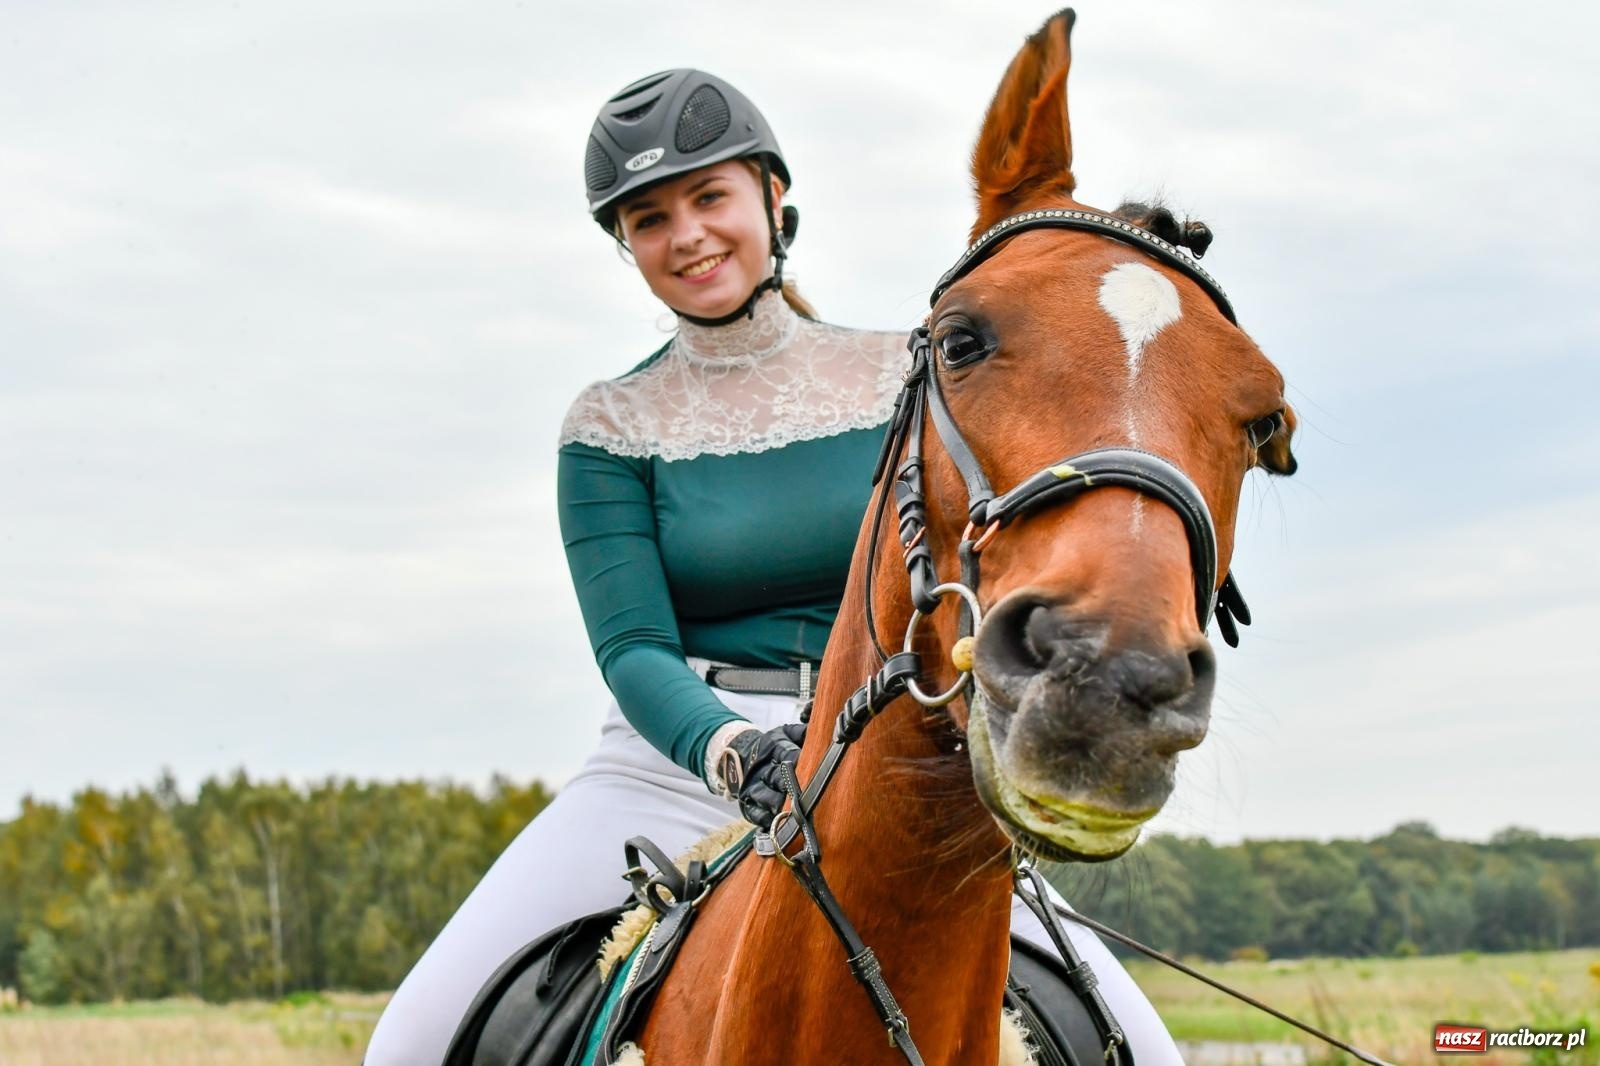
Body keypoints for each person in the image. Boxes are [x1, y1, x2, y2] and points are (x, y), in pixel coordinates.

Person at [364, 68, 1183, 1066]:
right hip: (674, 771)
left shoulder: (909, 371)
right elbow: (630, 647)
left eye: (711, 197)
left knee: (1144, 1051)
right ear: (626, 246)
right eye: (650, 218)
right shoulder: (609, 424)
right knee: (407, 1041)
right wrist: (730, 752)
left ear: (772, 199)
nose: (689, 235)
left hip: (895, 761)